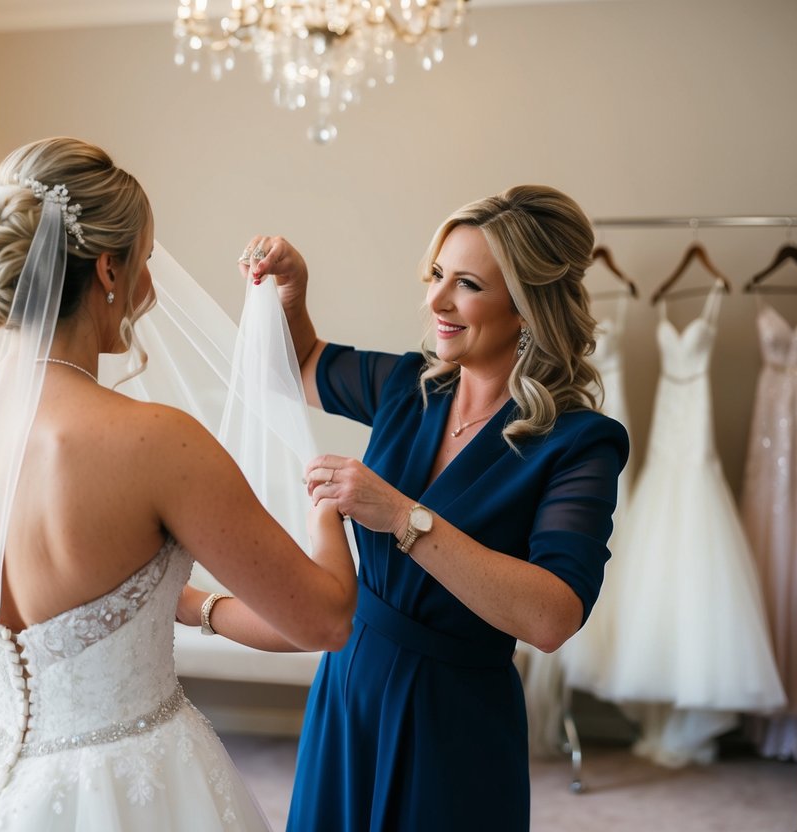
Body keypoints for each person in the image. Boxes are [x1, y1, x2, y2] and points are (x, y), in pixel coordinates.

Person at [0, 137, 356, 831]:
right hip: (127, 780)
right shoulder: (157, 441)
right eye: (145, 261)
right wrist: (330, 501)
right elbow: (324, 620)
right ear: (109, 269)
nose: (150, 288)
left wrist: (184, 604)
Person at [185, 186, 629, 830]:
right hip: (349, 688)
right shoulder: (409, 385)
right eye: (437, 275)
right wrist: (293, 293)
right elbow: (303, 362)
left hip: (454, 712)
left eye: (467, 284)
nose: (437, 300)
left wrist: (403, 518)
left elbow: (553, 616)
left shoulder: (580, 442)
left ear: (527, 307)